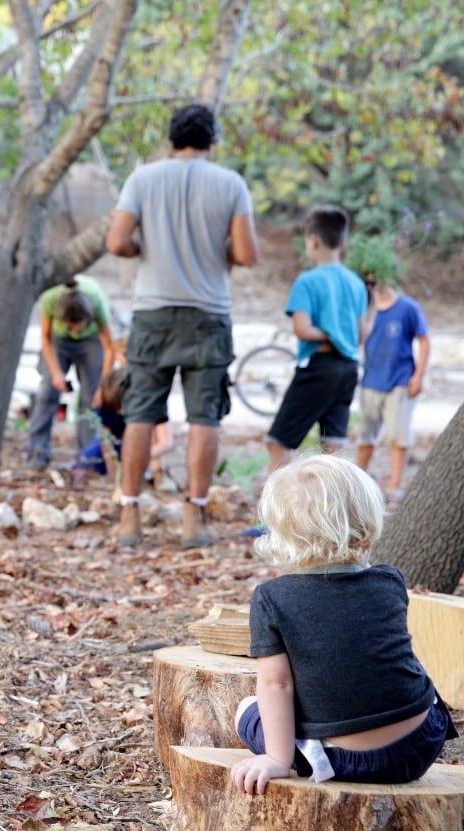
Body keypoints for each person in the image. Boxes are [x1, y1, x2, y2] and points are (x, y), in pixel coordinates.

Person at [230, 455, 458, 793]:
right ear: (367, 526)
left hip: (339, 759)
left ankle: (286, 746)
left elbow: (276, 685)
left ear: (282, 535)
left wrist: (277, 758)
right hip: (421, 742)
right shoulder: (389, 581)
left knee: (245, 710)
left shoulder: (271, 599)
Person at [105, 102, 259, 548]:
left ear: (172, 139)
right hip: (207, 313)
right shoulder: (231, 184)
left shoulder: (143, 178)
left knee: (140, 414)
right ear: (212, 141)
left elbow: (116, 241)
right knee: (203, 417)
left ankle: (129, 517)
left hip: (153, 312)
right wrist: (218, 252)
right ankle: (194, 516)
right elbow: (247, 255)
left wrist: (144, 248)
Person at [264, 206, 368, 473]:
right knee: (334, 446)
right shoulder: (356, 283)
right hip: (348, 369)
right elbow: (361, 334)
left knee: (279, 442)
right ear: (343, 243)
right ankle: (337, 509)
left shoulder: (307, 282)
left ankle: (279, 511)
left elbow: (302, 329)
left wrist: (330, 333)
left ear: (313, 240)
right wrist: (343, 334)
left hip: (318, 367)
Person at [25, 274, 114, 470]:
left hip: (91, 343)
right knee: (48, 393)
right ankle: (37, 454)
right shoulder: (50, 298)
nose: (74, 330)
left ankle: (88, 459)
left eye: (77, 325)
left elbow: (109, 347)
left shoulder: (96, 301)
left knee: (92, 399)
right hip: (58, 342)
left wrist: (103, 386)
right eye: (69, 325)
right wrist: (56, 373)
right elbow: (45, 339)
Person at [355, 278, 429, 502]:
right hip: (370, 380)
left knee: (398, 435)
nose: (375, 285)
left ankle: (395, 485)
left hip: (399, 379)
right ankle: (358, 479)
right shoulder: (366, 310)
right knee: (365, 435)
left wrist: (418, 376)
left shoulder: (407, 308)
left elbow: (424, 340)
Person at [70, 368, 178, 493]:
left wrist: (138, 458)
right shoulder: (107, 406)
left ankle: (158, 474)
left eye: (123, 406)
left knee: (148, 428)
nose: (120, 412)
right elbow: (106, 442)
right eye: (116, 408)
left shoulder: (150, 404)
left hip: (141, 450)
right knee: (89, 459)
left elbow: (166, 442)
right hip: (115, 448)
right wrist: (114, 473)